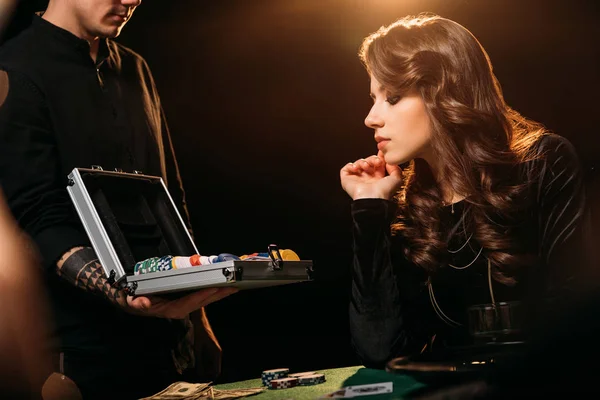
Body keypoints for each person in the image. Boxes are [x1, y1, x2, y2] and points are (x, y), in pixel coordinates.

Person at [0, 1, 237, 398]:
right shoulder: (14, 67)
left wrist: (198, 318)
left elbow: (171, 198)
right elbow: (38, 217)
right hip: (79, 354)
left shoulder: (136, 67)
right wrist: (122, 291)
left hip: (166, 345)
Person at [340, 13, 588, 369]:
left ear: (444, 92)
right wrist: (368, 206)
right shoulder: (409, 203)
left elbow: (577, 311)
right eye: (373, 98)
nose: (371, 117)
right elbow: (379, 350)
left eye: (392, 97)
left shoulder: (543, 161)